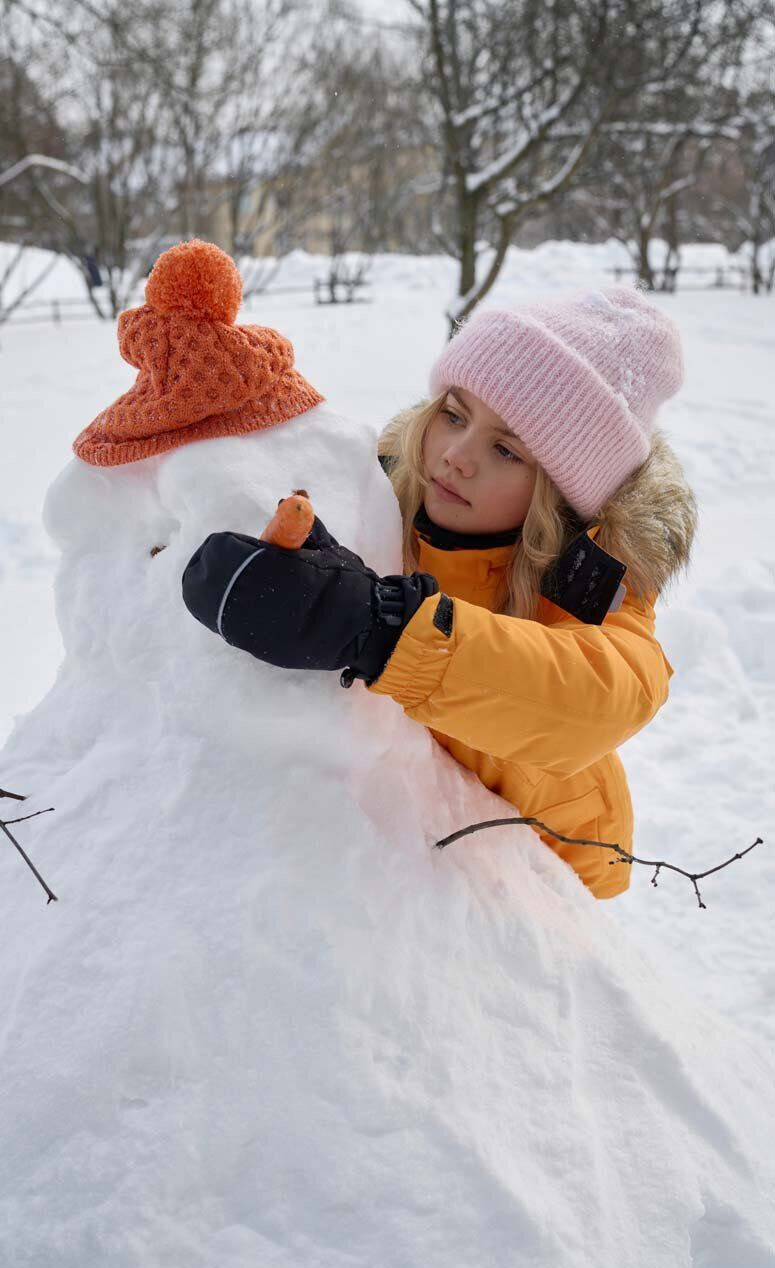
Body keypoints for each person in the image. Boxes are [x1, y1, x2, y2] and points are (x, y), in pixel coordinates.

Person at [184, 284, 698, 900]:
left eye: (506, 449)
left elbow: (608, 693)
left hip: (540, 882)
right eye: (454, 415)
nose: (456, 456)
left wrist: (383, 630)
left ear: (560, 495)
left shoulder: (586, 579)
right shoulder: (378, 497)